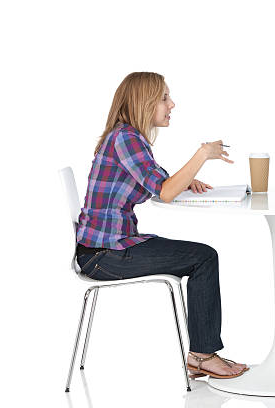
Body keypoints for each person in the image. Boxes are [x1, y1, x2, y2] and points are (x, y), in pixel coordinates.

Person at [76, 72, 247, 379]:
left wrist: (185, 181)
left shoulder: (128, 137)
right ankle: (202, 356)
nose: (172, 104)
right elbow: (166, 192)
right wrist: (202, 154)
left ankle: (201, 355)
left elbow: (161, 182)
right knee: (203, 257)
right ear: (145, 102)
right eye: (165, 98)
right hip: (104, 255)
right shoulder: (126, 138)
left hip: (108, 248)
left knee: (202, 255)